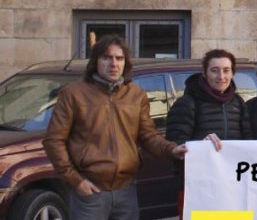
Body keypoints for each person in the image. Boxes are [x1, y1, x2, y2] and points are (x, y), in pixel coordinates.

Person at [43, 35, 187, 220]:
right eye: (106, 58)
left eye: (119, 58)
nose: (113, 63)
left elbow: (148, 136)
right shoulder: (73, 94)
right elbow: (53, 140)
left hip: (126, 191)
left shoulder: (136, 95)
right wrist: (76, 181)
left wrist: (172, 149)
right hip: (89, 192)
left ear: (125, 63)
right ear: (95, 61)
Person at [165, 49, 251, 218]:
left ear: (233, 73)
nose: (221, 76)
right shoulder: (187, 103)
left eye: (226, 70)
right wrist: (199, 146)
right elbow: (175, 145)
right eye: (215, 70)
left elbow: (248, 140)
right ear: (204, 73)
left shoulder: (239, 103)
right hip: (198, 189)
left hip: (232, 188)